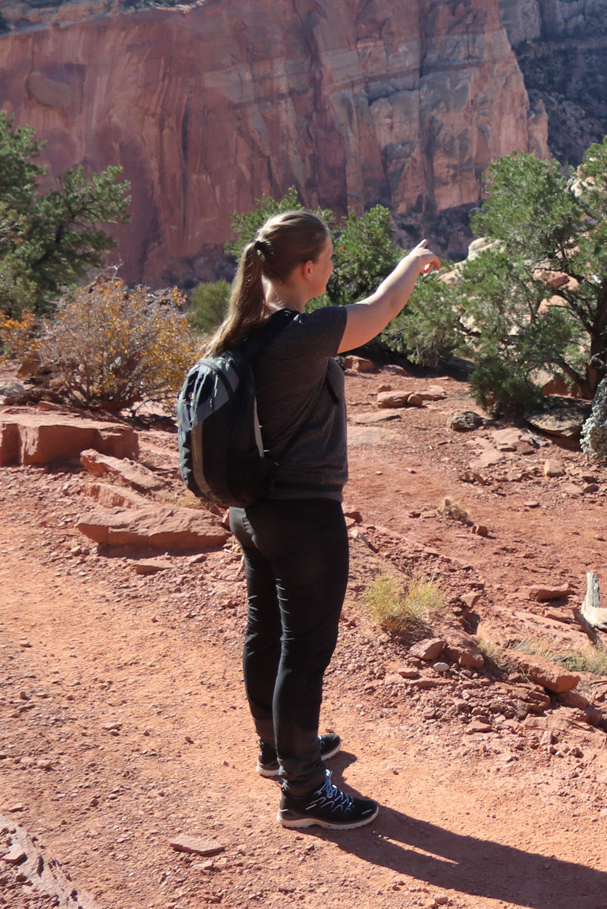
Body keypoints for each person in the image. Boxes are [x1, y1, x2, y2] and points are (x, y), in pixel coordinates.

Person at [203, 210, 440, 829]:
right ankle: (304, 789)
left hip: (250, 512)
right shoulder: (302, 333)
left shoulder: (244, 329)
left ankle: (276, 750)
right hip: (301, 517)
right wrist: (413, 263)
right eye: (329, 259)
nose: (332, 269)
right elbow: (383, 308)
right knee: (305, 652)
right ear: (306, 269)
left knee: (268, 631)